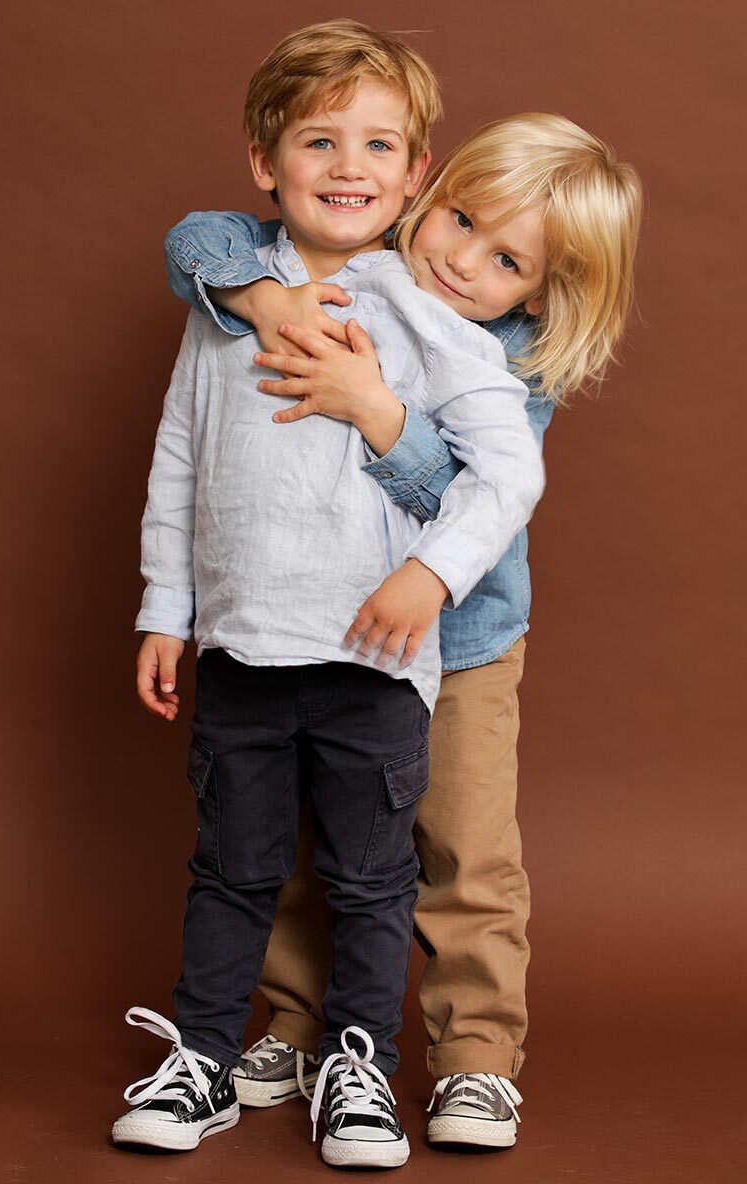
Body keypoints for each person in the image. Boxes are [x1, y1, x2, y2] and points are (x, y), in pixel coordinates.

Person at [160, 110, 642, 1150]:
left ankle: (475, 1057)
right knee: (310, 840)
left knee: (462, 849)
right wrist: (262, 297)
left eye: (505, 259)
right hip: (329, 627)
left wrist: (372, 406)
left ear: (540, 293)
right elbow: (197, 238)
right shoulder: (353, 265)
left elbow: (475, 490)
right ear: (429, 192)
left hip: (458, 640)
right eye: (459, 220)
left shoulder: (514, 358)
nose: (461, 260)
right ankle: (302, 1026)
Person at [110, 20, 544, 1170]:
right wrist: (164, 607)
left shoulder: (425, 311)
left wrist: (426, 570)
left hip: (376, 659)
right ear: (264, 160)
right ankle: (203, 1055)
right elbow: (179, 456)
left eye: (377, 146)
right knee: (236, 867)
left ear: (413, 175)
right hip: (243, 649)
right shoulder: (227, 299)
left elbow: (506, 471)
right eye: (318, 141)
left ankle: (362, 1065)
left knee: (373, 875)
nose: (348, 165)